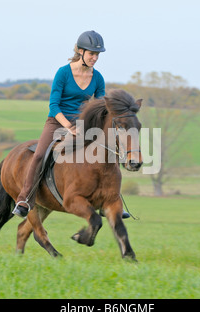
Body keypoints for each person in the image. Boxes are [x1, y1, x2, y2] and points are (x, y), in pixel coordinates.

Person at [12, 30, 130, 219]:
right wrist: (68, 126)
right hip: (57, 120)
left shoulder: (98, 77)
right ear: (80, 51)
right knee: (40, 154)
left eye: (97, 55)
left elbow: (99, 107)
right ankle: (24, 198)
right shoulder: (63, 73)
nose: (95, 58)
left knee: (107, 149)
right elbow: (53, 105)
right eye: (92, 54)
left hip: (84, 123)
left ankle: (111, 199)